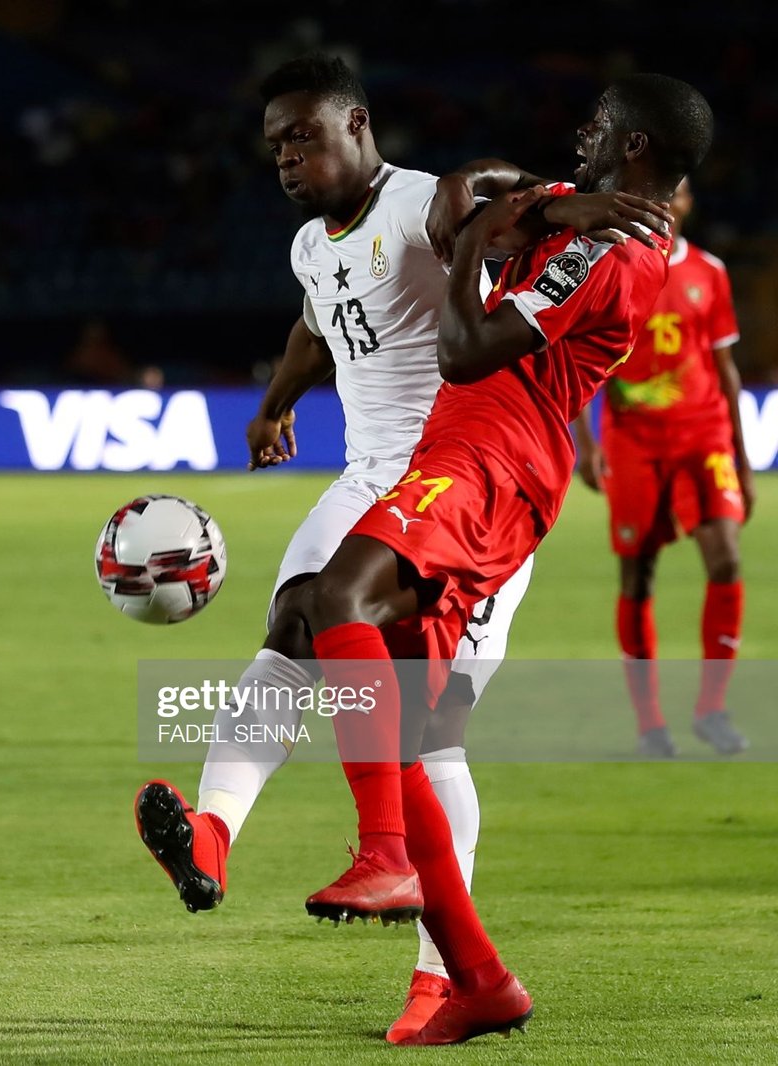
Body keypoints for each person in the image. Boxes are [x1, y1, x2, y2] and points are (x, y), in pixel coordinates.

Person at [131, 53, 669, 1043]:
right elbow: (316, 324)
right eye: (275, 144)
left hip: (460, 479)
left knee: (431, 726)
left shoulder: (420, 202)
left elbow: (488, 206)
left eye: (304, 135)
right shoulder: (309, 244)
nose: (287, 156)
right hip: (367, 477)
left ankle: (436, 967)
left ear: (358, 125)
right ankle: (212, 834)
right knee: (290, 630)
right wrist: (273, 405)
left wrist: (565, 204)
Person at [289, 74, 711, 1044]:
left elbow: (466, 351)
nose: (581, 130)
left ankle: (386, 855)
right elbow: (467, 187)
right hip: (464, 456)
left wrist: (482, 245)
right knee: (404, 726)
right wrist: (537, 203)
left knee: (336, 600)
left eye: (601, 124)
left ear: (636, 146)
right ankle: (476, 979)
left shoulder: (610, 251)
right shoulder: (583, 216)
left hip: (490, 463)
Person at [573, 178, 752, 757]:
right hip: (635, 445)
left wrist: (743, 461)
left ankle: (712, 709)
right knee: (638, 575)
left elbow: (725, 368)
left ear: (688, 203)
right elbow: (583, 362)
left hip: (704, 438)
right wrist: (587, 444)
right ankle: (650, 723)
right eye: (659, 194)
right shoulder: (614, 267)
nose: (668, 203)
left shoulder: (709, 272)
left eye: (678, 193)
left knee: (726, 559)